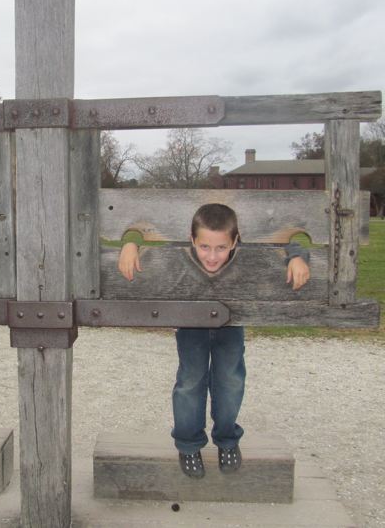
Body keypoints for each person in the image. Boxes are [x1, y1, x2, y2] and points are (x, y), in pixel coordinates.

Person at [118, 203, 310, 479]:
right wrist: (131, 245)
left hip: (231, 321)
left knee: (230, 381)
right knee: (190, 381)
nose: (212, 256)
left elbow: (282, 243)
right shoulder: (179, 251)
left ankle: (227, 439)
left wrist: (296, 256)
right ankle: (188, 444)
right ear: (192, 240)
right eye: (204, 246)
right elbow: (151, 247)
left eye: (221, 247)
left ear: (235, 241)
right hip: (191, 322)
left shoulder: (248, 252)